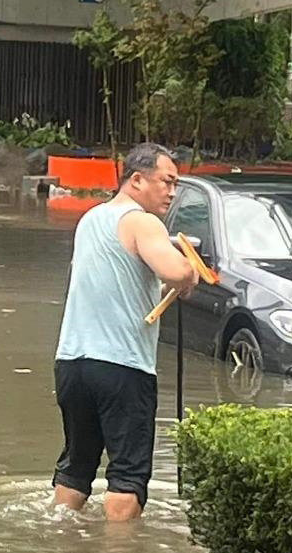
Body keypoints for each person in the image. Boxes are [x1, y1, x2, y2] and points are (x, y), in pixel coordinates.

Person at [51, 143, 198, 522]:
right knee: (128, 477)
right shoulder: (143, 221)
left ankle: (63, 542)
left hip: (72, 363)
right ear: (136, 179)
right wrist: (189, 271)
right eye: (166, 181)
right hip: (121, 366)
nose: (171, 192)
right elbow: (175, 271)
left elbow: (119, 285)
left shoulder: (91, 218)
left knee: (77, 468)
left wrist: (168, 286)